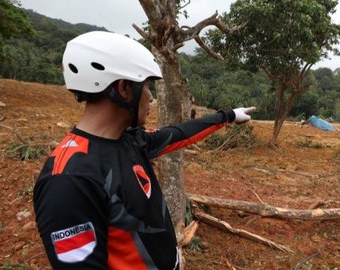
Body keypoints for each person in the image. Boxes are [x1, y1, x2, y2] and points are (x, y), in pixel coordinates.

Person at [33, 31, 255, 269]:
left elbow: (179, 134)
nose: (151, 98)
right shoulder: (69, 179)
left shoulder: (130, 141)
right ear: (123, 88)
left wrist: (228, 116)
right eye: (147, 86)